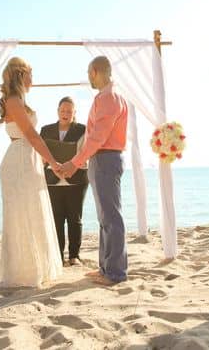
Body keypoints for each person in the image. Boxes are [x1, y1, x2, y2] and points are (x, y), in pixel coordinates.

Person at [58, 56, 128, 285]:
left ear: (96, 71)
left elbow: (98, 137)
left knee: (111, 217)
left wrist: (74, 162)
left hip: (106, 158)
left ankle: (115, 273)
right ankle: (106, 268)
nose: (88, 77)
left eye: (89, 73)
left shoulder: (109, 99)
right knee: (104, 217)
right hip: (101, 160)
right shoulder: (105, 97)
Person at [0, 57, 63, 287]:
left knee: (33, 211)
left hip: (28, 159)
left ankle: (36, 267)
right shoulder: (14, 100)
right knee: (21, 214)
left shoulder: (20, 100)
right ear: (19, 75)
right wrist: (53, 161)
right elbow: (32, 136)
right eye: (30, 74)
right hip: (19, 162)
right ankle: (22, 273)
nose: (33, 79)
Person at [40, 97, 89, 267]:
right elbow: (41, 153)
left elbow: (85, 152)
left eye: (69, 111)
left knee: (75, 218)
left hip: (77, 179)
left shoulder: (83, 130)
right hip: (52, 179)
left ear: (75, 113)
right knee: (56, 218)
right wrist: (52, 165)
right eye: (63, 110)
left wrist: (71, 165)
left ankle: (74, 255)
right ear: (57, 111)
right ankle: (58, 256)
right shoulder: (46, 130)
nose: (66, 114)